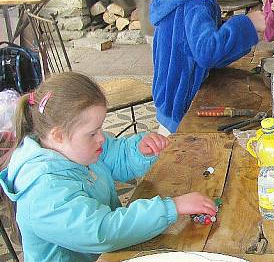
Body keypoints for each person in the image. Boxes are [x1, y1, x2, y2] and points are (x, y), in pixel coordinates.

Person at [0, 72, 217, 261]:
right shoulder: (43, 193)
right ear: (58, 135)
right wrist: (171, 207)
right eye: (92, 133)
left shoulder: (76, 149)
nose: (101, 138)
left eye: (101, 128)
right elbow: (102, 230)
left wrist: (139, 149)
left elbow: (114, 155)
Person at [149, 0, 266, 135]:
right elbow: (207, 52)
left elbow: (201, 50)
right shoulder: (196, 0)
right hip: (181, 105)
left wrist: (245, 33)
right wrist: (248, 23)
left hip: (171, 97)